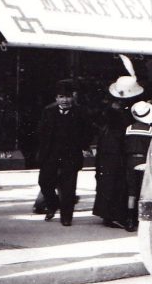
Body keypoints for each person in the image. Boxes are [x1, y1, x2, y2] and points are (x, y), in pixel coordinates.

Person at [36, 79, 93, 226]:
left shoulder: (81, 112)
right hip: (51, 155)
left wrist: (83, 146)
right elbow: (41, 133)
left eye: (68, 96)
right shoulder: (48, 111)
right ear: (56, 98)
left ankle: (66, 216)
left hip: (71, 155)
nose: (65, 100)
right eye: (61, 96)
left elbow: (88, 132)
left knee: (68, 188)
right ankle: (53, 204)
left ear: (73, 97)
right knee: (44, 183)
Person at [92, 96, 130, 228]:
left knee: (106, 184)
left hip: (106, 154)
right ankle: (114, 215)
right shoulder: (121, 120)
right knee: (116, 184)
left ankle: (106, 214)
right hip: (115, 155)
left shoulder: (107, 124)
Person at [124, 100, 152, 232]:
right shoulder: (151, 130)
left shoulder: (128, 129)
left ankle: (130, 219)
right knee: (144, 190)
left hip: (130, 161)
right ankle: (142, 218)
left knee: (131, 191)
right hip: (145, 161)